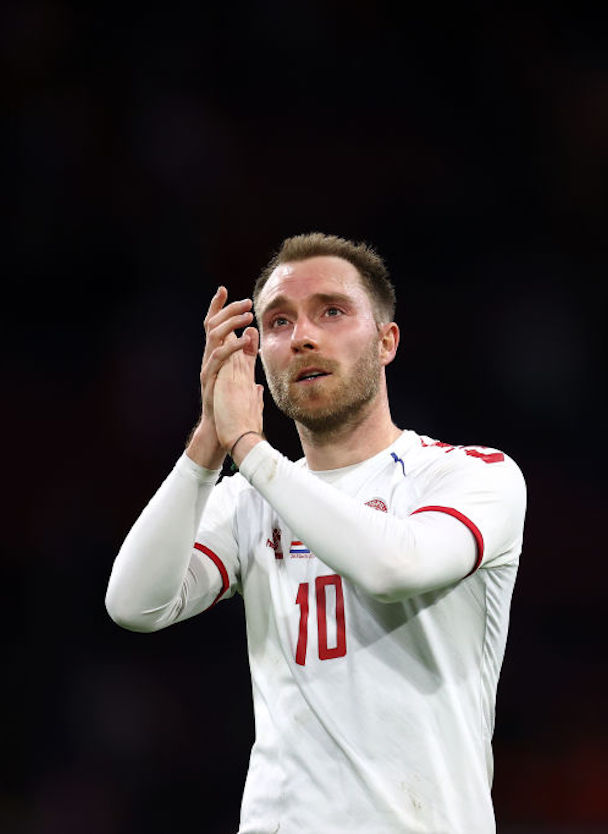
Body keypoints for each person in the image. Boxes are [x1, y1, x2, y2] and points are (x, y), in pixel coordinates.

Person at [105, 232, 527, 833]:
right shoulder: (248, 498)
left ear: (387, 342)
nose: (302, 335)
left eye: (331, 310)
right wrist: (208, 441)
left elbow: (393, 569)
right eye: (278, 321)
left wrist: (248, 449)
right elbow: (134, 604)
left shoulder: (469, 476)